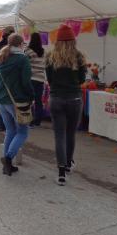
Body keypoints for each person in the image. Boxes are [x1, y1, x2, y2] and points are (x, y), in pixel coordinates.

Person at [45, 24, 87, 186]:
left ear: (57, 41)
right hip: (74, 99)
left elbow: (49, 79)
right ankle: (68, 164)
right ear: (73, 40)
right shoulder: (79, 57)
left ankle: (61, 173)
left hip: (56, 99)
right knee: (70, 134)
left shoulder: (50, 57)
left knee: (59, 136)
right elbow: (82, 79)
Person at [0, 33, 34, 176]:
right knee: (22, 132)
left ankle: (8, 166)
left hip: (2, 101)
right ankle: (8, 158)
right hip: (17, 101)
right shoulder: (22, 59)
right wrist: (31, 96)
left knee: (10, 130)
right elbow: (26, 81)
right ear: (20, 44)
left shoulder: (1, 57)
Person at [0, 26, 15, 131]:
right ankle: (10, 126)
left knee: (0, 99)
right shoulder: (12, 46)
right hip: (11, 76)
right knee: (11, 100)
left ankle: (1, 125)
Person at [25, 32, 46, 127]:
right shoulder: (43, 51)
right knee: (38, 100)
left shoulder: (28, 51)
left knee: (29, 100)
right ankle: (38, 121)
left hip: (31, 78)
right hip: (41, 79)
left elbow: (24, 64)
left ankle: (30, 120)